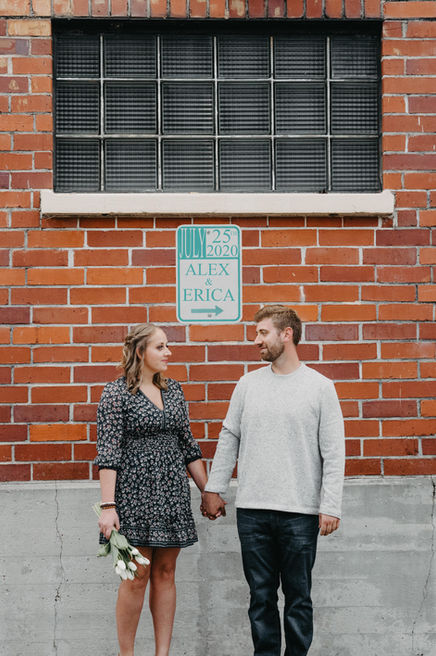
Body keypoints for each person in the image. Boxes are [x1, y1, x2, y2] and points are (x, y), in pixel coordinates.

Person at [202, 305, 345, 656]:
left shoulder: (320, 388)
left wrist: (330, 505)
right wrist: (214, 488)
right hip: (253, 511)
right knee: (261, 598)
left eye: (263, 332)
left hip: (300, 512)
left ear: (287, 334)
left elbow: (334, 452)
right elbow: (229, 436)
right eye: (256, 333)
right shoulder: (248, 384)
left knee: (298, 598)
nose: (256, 340)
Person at [95, 323, 207, 656]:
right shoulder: (116, 393)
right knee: (136, 575)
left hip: (172, 494)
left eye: (167, 345)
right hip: (134, 495)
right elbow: (108, 453)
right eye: (160, 347)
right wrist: (108, 506)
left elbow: (188, 445)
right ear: (140, 352)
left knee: (166, 572)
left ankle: (162, 653)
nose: (168, 352)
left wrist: (208, 491)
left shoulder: (174, 390)